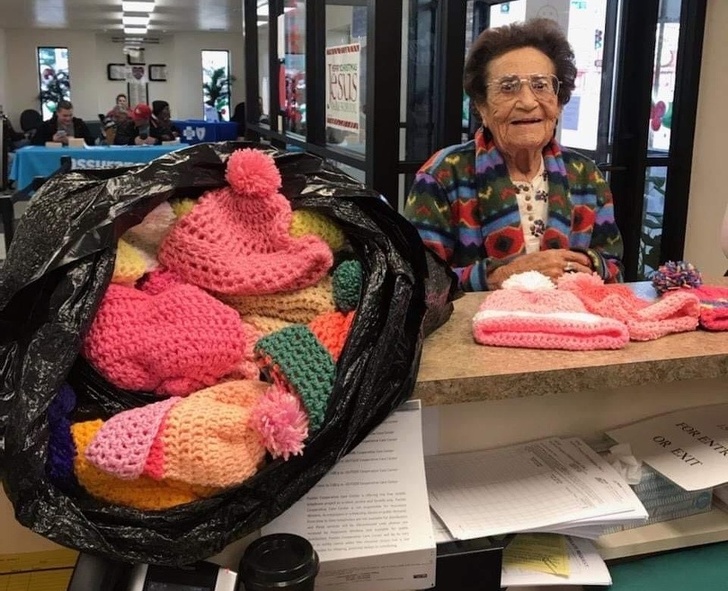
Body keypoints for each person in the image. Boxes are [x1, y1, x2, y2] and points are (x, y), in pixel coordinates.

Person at [403, 19, 624, 291]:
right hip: (475, 329)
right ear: (481, 107)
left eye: (541, 85)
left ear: (558, 101)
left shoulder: (586, 175)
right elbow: (417, 279)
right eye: (508, 87)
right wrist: (502, 275)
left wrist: (589, 265)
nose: (529, 102)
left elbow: (613, 265)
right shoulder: (444, 175)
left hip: (568, 328)